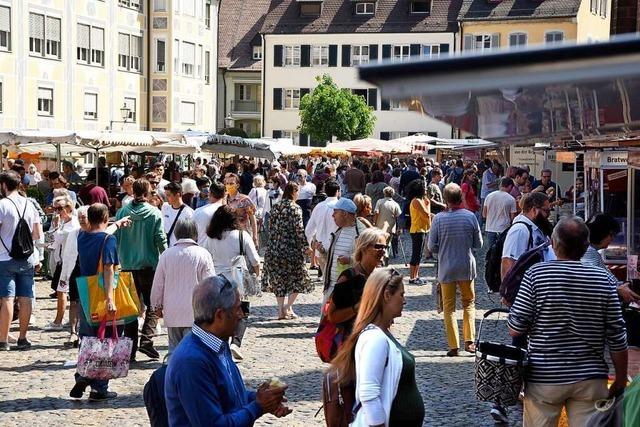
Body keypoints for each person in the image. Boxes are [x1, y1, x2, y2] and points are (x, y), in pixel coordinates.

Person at [508, 217, 628, 427]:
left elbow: (515, 329)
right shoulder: (602, 279)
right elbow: (617, 335)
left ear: (554, 245)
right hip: (590, 378)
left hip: (543, 377)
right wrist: (620, 377)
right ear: (585, 247)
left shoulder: (536, 275)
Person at [165, 275, 291, 425]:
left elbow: (229, 397)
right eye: (238, 308)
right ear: (220, 315)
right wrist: (258, 406)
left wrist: (261, 398)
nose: (242, 315)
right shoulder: (191, 362)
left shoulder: (218, 343)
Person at [330, 268, 424, 426]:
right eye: (401, 295)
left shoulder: (382, 333)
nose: (405, 301)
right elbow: (368, 394)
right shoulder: (374, 338)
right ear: (387, 295)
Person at [70, 203, 120, 401]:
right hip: (101, 294)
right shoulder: (109, 240)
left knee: (87, 337)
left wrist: (118, 224)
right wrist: (110, 299)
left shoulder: (82, 236)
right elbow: (108, 269)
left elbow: (101, 231)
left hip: (85, 293)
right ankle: (99, 388)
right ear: (107, 217)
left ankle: (83, 374)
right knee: (104, 340)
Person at [115, 178, 167, 361]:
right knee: (153, 305)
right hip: (148, 266)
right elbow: (160, 239)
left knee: (130, 309)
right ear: (148, 191)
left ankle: (129, 351)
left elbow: (116, 237)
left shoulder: (123, 211)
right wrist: (166, 259)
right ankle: (146, 340)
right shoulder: (154, 213)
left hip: (127, 266)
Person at [428, 183, 482, 357]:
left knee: (449, 307)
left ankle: (453, 345)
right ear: (460, 197)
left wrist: (443, 247)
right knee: (469, 303)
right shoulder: (470, 217)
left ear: (445, 199)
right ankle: (470, 341)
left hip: (446, 267)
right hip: (466, 266)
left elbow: (432, 246)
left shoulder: (438, 219)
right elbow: (478, 244)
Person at [202, 205, 260, 361]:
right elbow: (255, 260)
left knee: (222, 313)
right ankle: (236, 343)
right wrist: (257, 274)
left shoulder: (211, 238)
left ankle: (223, 345)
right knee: (242, 313)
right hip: (238, 279)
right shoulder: (242, 236)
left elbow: (204, 256)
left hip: (217, 279)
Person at [151, 219, 215, 356]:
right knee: (193, 351)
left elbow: (158, 284)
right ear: (195, 233)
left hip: (172, 310)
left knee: (173, 349)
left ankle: (172, 374)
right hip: (195, 311)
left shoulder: (166, 255)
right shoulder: (203, 254)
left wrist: (156, 306)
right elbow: (210, 284)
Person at [0, 171, 42, 351]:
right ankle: (23, 338)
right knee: (26, 298)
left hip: (4, 257)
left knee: (7, 298)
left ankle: (3, 340)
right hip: (26, 258)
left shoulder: (2, 205)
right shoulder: (30, 204)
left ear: (3, 185)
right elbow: (37, 234)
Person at [262, 182, 313, 320]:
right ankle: (288, 306)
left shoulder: (276, 206)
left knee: (278, 280)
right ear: (294, 192)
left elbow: (269, 227)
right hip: (291, 249)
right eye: (298, 192)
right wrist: (306, 246)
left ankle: (280, 310)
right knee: (298, 278)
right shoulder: (295, 208)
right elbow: (299, 230)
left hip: (274, 248)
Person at [326, 228, 388, 337]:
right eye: (378, 246)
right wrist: (357, 308)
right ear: (363, 248)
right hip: (350, 341)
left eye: (385, 247)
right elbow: (332, 316)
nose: (383, 251)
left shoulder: (382, 277)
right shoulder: (348, 278)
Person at [583, 214, 640, 303]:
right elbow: (592, 280)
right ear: (601, 233)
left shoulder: (591, 252)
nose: (612, 239)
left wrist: (622, 286)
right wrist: (617, 289)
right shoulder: (588, 254)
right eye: (611, 234)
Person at [44, 196, 80, 331]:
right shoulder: (64, 222)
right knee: (62, 291)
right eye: (55, 208)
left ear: (68, 208)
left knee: (64, 291)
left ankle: (59, 321)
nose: (57, 212)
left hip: (71, 262)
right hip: (62, 260)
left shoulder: (74, 224)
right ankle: (66, 320)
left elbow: (54, 239)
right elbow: (51, 240)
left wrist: (56, 228)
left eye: (59, 208)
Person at [323, 198, 362, 305]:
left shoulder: (361, 233)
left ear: (344, 214)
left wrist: (350, 260)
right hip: (331, 285)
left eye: (335, 212)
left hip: (349, 287)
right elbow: (332, 257)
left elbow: (366, 259)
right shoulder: (338, 230)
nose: (332, 216)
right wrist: (322, 251)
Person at [305, 179, 340, 276]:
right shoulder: (340, 206)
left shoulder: (318, 207)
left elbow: (309, 230)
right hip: (336, 247)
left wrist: (308, 244)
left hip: (320, 247)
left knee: (326, 278)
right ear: (337, 192)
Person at [224, 173, 259, 249]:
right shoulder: (223, 200)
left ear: (237, 185)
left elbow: (252, 219)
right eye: (227, 183)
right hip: (227, 237)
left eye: (231, 183)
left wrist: (255, 237)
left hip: (243, 236)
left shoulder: (245, 200)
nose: (229, 186)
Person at [407, 180, 431, 284]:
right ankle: (412, 277)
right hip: (417, 230)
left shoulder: (421, 200)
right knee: (416, 254)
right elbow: (427, 214)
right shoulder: (416, 201)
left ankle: (416, 276)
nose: (426, 189)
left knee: (419, 255)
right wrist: (428, 204)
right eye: (424, 187)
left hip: (423, 229)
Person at [482, 177, 517, 248]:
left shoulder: (489, 196)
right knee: (502, 251)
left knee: (491, 252)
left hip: (490, 228)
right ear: (510, 186)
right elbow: (513, 217)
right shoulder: (511, 199)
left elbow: (484, 215)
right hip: (504, 229)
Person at [161, 182, 194, 247]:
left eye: (168, 195)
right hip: (166, 249)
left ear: (178, 195)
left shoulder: (189, 213)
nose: (166, 198)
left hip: (180, 249)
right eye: (166, 195)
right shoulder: (165, 207)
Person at [193, 181, 226, 246]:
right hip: (223, 250)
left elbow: (193, 234)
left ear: (210, 193)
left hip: (202, 249)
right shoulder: (228, 212)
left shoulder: (198, 211)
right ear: (224, 194)